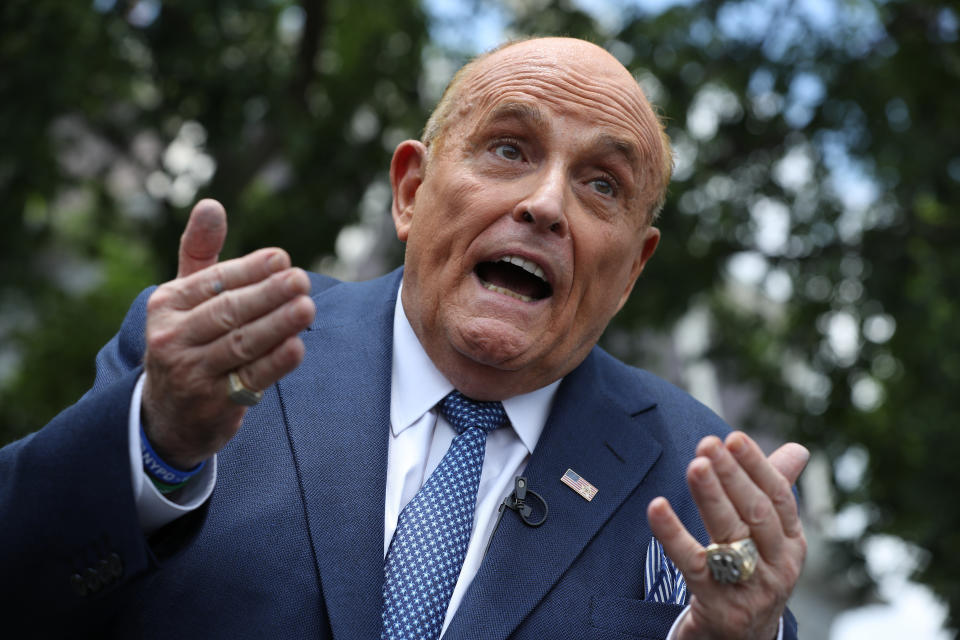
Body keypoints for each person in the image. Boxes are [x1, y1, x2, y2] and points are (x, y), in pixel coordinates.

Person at [0, 37, 807, 639]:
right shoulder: (216, 354)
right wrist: (157, 446)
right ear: (412, 191)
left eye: (602, 184)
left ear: (632, 268)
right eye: (508, 149)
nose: (547, 205)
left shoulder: (705, 473)